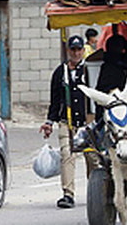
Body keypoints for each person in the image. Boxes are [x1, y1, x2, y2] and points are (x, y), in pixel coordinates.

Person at [39, 35, 93, 209]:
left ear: (83, 51)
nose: (76, 53)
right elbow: (55, 100)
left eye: (79, 50)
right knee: (67, 157)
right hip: (66, 123)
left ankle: (95, 192)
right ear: (68, 51)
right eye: (73, 50)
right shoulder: (60, 72)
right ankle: (68, 194)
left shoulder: (89, 70)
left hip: (87, 123)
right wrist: (49, 122)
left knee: (93, 158)